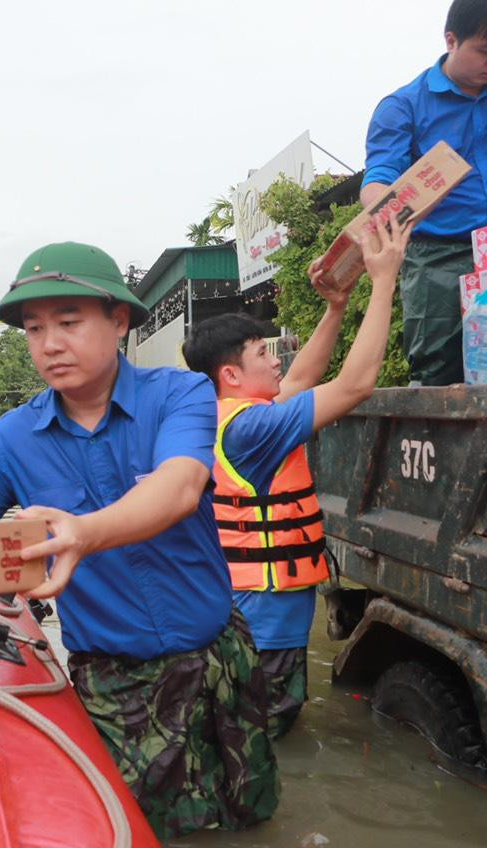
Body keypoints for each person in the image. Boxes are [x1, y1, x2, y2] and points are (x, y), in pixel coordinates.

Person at [0, 243, 279, 838]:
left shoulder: (179, 395)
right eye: (35, 329)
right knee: (134, 830)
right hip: (116, 680)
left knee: (250, 819)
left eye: (70, 322)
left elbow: (180, 486)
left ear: (119, 320)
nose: (50, 343)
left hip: (219, 660)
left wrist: (84, 532)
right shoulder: (12, 436)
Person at [183, 218, 412, 738]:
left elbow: (304, 378)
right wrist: (383, 282)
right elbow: (354, 386)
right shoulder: (257, 428)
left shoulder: (231, 417)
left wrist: (335, 307)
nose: (277, 359)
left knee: (245, 731)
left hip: (246, 615)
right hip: (266, 626)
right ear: (231, 375)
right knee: (268, 739)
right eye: (264, 352)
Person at [362, 0, 487, 385]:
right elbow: (380, 178)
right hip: (436, 256)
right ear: (451, 40)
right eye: (484, 51)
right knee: (437, 368)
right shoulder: (404, 106)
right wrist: (383, 213)